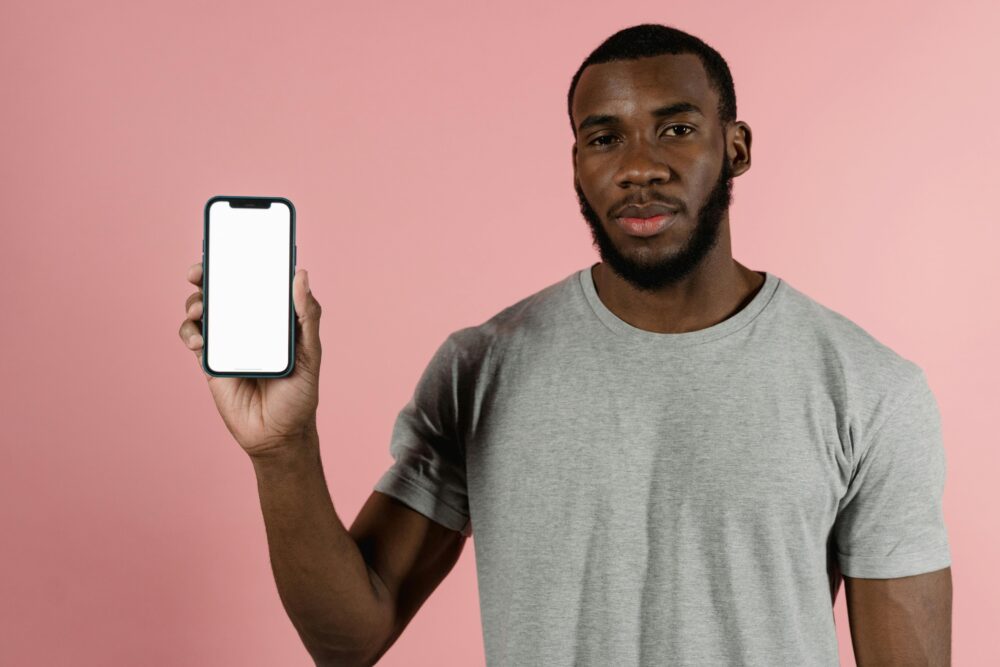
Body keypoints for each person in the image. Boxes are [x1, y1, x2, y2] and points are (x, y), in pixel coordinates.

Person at [178, 23, 952, 667]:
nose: (639, 167)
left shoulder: (868, 386)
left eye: (676, 129)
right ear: (577, 164)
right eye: (604, 138)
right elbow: (347, 636)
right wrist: (281, 448)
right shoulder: (480, 367)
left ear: (737, 147)